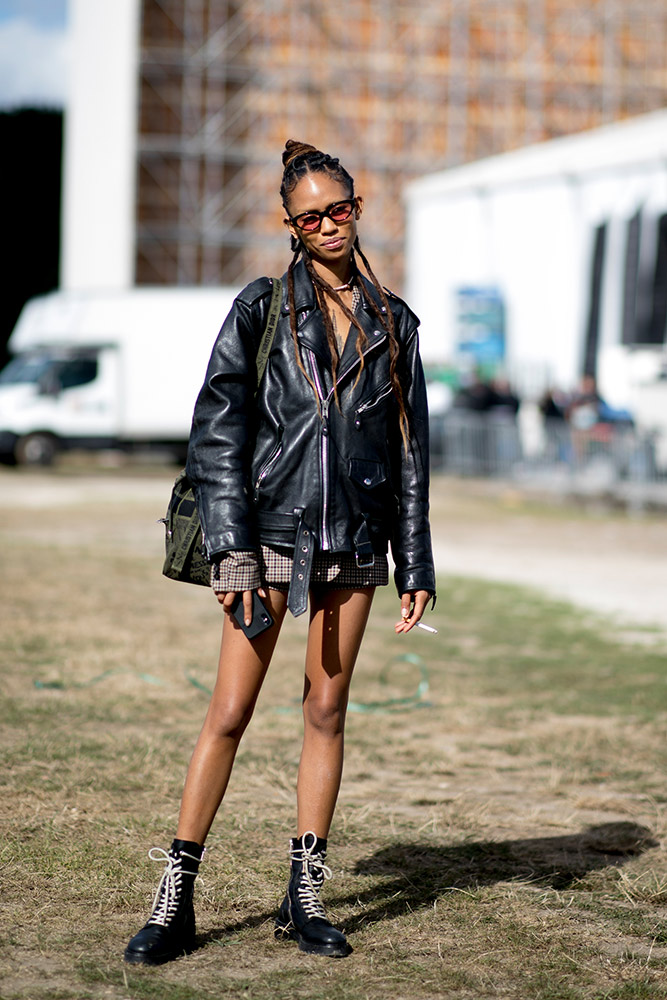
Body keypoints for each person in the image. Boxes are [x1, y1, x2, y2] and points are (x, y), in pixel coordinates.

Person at [124, 140, 436, 964]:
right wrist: (230, 550)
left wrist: (417, 563)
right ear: (290, 225)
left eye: (341, 209)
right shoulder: (261, 309)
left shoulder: (394, 321)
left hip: (355, 543)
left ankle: (303, 899)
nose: (330, 224)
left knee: (326, 713)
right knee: (228, 713)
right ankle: (175, 900)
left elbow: (410, 455)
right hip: (263, 539)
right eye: (312, 215)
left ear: (357, 209)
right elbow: (216, 435)